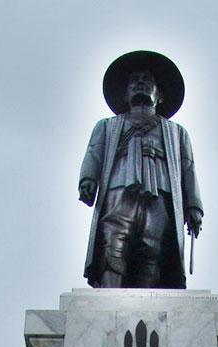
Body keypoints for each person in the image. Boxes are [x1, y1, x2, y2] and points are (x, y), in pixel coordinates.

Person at [78, 51, 203, 288]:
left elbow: (188, 168)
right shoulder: (108, 126)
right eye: (134, 81)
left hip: (161, 194)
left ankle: (148, 301)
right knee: (112, 242)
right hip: (118, 189)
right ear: (125, 94)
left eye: (147, 80)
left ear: (161, 95)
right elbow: (94, 151)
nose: (140, 84)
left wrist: (194, 205)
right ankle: (110, 298)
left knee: (153, 247)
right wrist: (88, 179)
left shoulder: (176, 132)